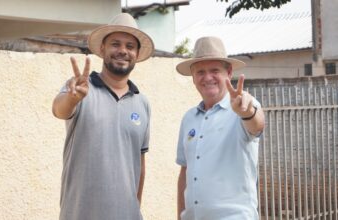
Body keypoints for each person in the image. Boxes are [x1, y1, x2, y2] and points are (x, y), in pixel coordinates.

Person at [52, 13, 154, 220]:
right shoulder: (81, 88)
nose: (123, 51)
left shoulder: (142, 103)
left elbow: (139, 164)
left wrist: (135, 208)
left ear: (136, 53)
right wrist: (72, 99)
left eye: (130, 46)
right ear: (102, 49)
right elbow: (59, 110)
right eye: (115, 44)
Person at [175, 36, 265, 220]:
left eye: (214, 70)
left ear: (229, 72)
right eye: (200, 72)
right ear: (193, 76)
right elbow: (185, 173)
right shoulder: (189, 118)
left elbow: (257, 125)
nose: (207, 77)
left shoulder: (242, 107)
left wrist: (247, 111)